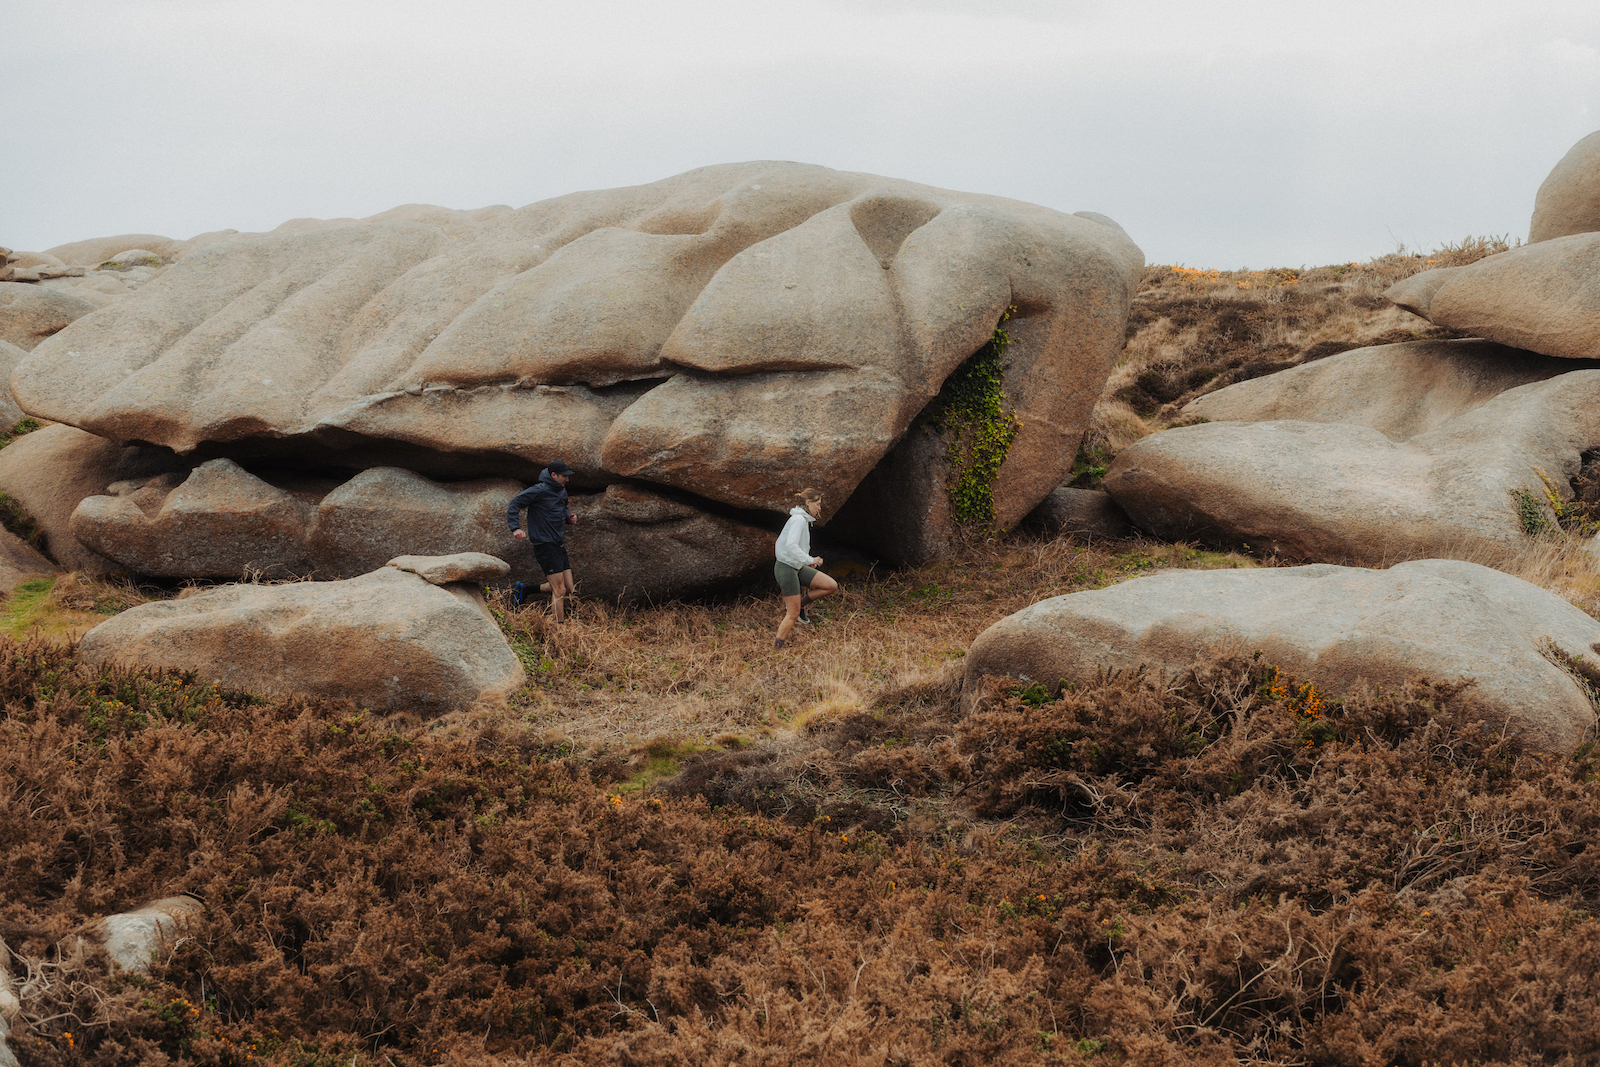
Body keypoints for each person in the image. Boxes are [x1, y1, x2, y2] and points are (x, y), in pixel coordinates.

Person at [507, 460, 579, 622]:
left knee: (568, 588)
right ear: (553, 475)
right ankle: (559, 629)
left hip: (558, 544)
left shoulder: (561, 490)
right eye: (564, 476)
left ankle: (524, 590)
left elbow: (563, 506)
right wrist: (515, 528)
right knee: (559, 590)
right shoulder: (539, 490)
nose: (567, 480)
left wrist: (569, 516)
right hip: (545, 546)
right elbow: (515, 503)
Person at [773, 487, 838, 649]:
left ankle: (802, 604)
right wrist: (811, 559)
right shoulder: (798, 520)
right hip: (786, 568)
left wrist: (806, 563)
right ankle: (776, 650)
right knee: (792, 614)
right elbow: (791, 545)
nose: (820, 508)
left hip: (796, 566)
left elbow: (796, 547)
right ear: (808, 503)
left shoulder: (803, 520)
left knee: (830, 585)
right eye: (818, 504)